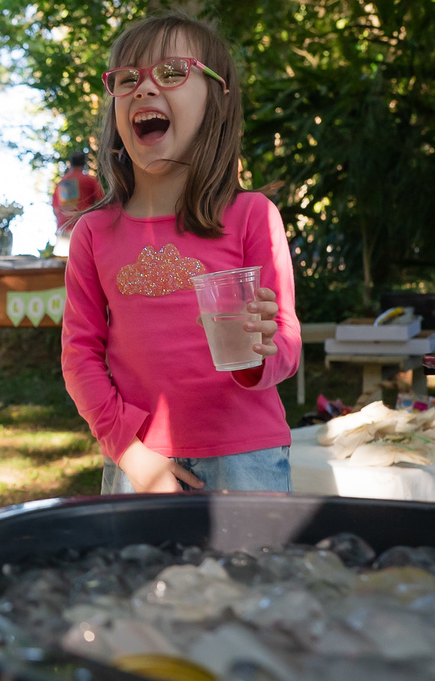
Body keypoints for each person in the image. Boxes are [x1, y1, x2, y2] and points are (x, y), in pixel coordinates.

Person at [60, 12, 300, 495]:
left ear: (217, 98)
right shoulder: (94, 232)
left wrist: (260, 351)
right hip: (138, 461)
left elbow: (286, 345)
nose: (144, 89)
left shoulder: (253, 216)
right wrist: (129, 452)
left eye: (172, 72)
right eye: (127, 79)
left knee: (248, 575)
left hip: (246, 457)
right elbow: (80, 355)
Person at [51, 151, 103, 257]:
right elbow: (103, 203)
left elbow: (56, 210)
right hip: (83, 232)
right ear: (84, 164)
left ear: (71, 163)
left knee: (62, 269)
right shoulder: (89, 180)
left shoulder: (60, 183)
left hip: (63, 232)